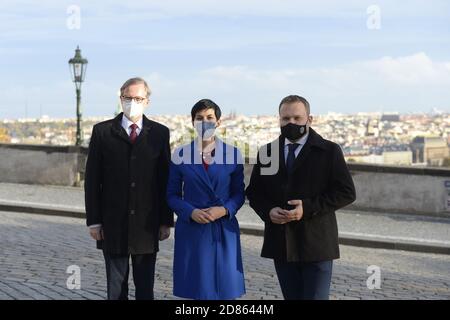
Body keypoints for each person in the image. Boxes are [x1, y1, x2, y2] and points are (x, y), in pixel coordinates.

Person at [246, 95, 356, 300]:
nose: (291, 123)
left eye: (297, 118)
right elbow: (254, 192)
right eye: (286, 119)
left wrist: (307, 207)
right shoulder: (267, 152)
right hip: (281, 243)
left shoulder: (329, 150)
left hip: (317, 243)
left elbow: (346, 192)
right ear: (279, 119)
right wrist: (268, 211)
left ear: (309, 119)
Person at [84, 77, 173, 300]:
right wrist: (94, 221)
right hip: (113, 223)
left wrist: (165, 220)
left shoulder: (160, 133)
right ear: (120, 98)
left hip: (147, 224)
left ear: (147, 101)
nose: (132, 102)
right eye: (128, 98)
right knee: (116, 288)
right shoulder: (102, 132)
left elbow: (165, 179)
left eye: (138, 98)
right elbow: (93, 180)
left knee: (145, 288)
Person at [167, 99, 246, 300]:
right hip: (193, 228)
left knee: (225, 291)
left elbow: (239, 193)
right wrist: (190, 212)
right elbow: (171, 195)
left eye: (209, 117)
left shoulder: (233, 154)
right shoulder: (180, 154)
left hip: (223, 227)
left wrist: (225, 209)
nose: (205, 122)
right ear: (193, 122)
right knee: (199, 290)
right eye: (200, 118)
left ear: (218, 122)